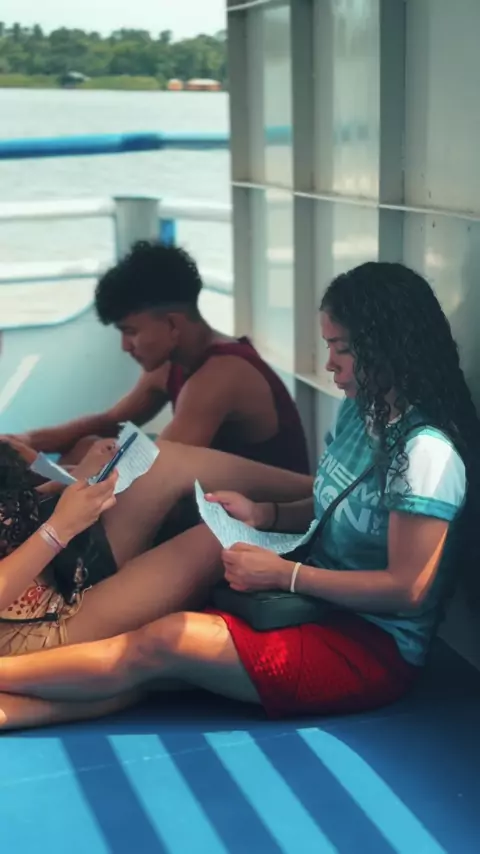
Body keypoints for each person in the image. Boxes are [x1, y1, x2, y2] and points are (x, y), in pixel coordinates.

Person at [0, 260, 477, 732]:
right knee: (144, 673)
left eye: (342, 349)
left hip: (369, 644)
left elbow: (407, 591)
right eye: (328, 345)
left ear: (388, 347)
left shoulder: (424, 455)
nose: (329, 362)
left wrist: (288, 575)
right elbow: (332, 505)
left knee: (163, 642)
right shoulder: (359, 413)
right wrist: (265, 513)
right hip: (316, 600)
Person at [10, 241, 309, 475]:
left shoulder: (221, 374)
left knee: (92, 467)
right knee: (87, 446)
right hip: (219, 498)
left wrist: (40, 468)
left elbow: (155, 472)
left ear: (172, 325)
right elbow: (110, 422)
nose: (125, 346)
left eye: (131, 332)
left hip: (265, 520)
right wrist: (25, 441)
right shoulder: (171, 364)